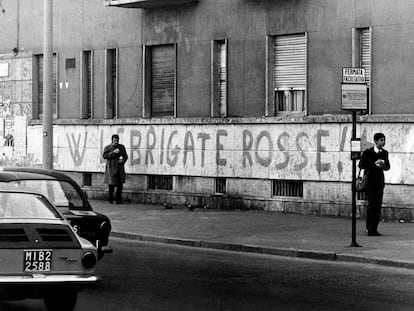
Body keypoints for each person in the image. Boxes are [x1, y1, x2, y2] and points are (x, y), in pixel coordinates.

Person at [359, 132, 390, 236]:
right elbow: (362, 164)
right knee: (371, 205)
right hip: (370, 181)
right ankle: (369, 228)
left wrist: (383, 164)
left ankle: (375, 228)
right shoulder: (368, 152)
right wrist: (374, 164)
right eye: (381, 140)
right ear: (376, 141)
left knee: (378, 206)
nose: (383, 142)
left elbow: (388, 167)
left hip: (380, 182)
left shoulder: (385, 153)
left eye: (384, 140)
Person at [103, 134, 128, 204]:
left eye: (117, 140)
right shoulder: (107, 148)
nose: (116, 142)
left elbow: (125, 156)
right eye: (114, 140)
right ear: (112, 140)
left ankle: (118, 200)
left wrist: (122, 161)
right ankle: (110, 199)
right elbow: (105, 156)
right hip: (111, 168)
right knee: (111, 185)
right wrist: (113, 152)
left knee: (120, 185)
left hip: (120, 168)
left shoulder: (121, 147)